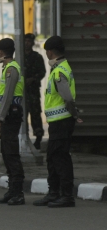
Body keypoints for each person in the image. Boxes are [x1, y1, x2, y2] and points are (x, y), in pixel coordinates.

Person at [33, 36, 82, 208]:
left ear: (50, 52)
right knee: (53, 158)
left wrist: (74, 114)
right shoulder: (59, 68)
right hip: (57, 123)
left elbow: (67, 98)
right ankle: (54, 192)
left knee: (60, 158)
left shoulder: (59, 71)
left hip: (62, 122)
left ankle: (66, 195)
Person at [0, 38, 25, 205]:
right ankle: (12, 190)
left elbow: (7, 97)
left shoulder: (12, 69)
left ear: (1, 52)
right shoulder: (8, 68)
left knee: (11, 153)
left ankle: (18, 192)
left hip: (11, 115)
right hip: (9, 115)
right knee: (6, 152)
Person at [24, 33, 47, 149]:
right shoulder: (19, 57)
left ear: (32, 43)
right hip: (22, 92)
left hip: (33, 90)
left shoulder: (37, 57)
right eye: (25, 41)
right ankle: (24, 137)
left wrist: (33, 79)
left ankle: (38, 138)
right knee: (22, 115)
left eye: (29, 41)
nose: (27, 43)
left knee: (35, 114)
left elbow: (42, 72)